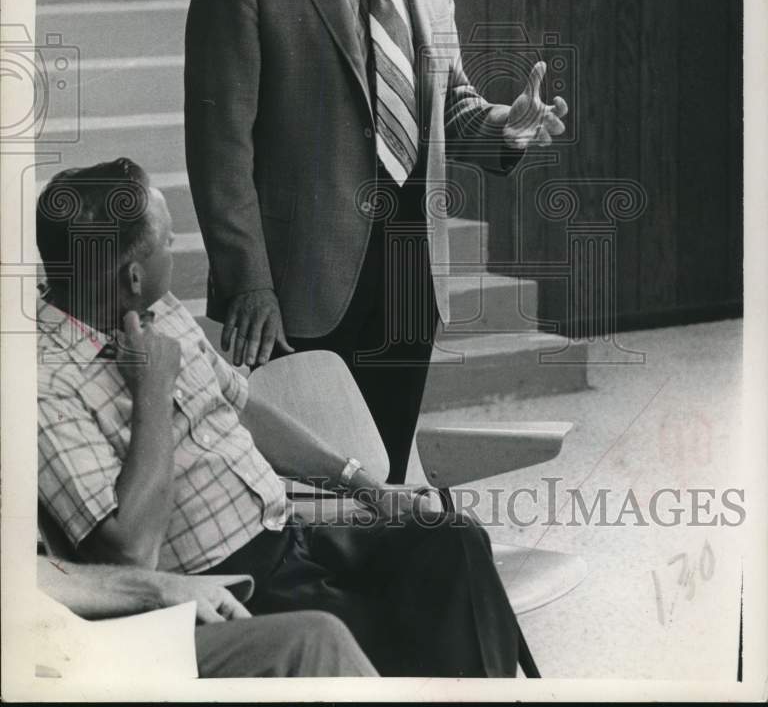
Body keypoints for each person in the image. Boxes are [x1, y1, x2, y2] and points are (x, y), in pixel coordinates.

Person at [184, 0, 569, 483]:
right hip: (295, 284)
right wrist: (249, 285)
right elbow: (220, 152)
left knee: (386, 475)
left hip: (409, 275)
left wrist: (507, 127)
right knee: (302, 487)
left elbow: (448, 106)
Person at [36, 159, 527, 678]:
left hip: (289, 539)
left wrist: (363, 486)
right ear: (133, 276)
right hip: (226, 589)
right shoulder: (46, 388)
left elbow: (242, 406)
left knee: (453, 540)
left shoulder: (160, 309)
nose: (176, 247)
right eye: (168, 243)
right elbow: (131, 554)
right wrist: (153, 392)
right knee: (400, 631)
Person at [37, 555, 377, 678]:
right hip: (43, 654)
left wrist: (159, 588)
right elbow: (132, 549)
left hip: (64, 621)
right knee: (312, 642)